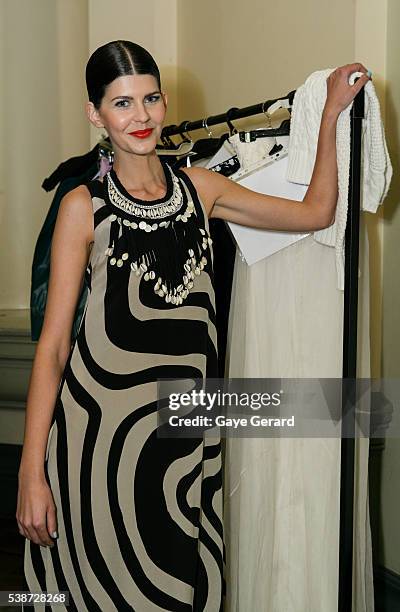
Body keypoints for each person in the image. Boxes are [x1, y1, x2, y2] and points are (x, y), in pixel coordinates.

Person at [16, 39, 370, 611]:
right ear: (96, 113)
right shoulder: (83, 206)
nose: (142, 116)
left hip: (183, 447)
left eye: (150, 99)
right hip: (97, 449)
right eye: (122, 103)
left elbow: (316, 212)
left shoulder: (201, 190)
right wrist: (32, 475)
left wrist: (328, 116)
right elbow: (54, 348)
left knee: (186, 589)